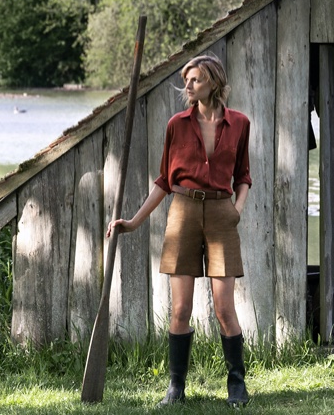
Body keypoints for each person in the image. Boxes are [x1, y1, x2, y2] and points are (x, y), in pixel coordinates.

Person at [107, 53, 252, 407]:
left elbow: (244, 176)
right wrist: (134, 221)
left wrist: (235, 210)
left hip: (221, 213)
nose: (187, 86)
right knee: (180, 309)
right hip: (183, 212)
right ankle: (176, 388)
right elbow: (163, 181)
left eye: (195, 80)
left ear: (213, 83)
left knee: (224, 309)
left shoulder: (240, 123)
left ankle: (236, 384)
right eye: (186, 80)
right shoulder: (177, 124)